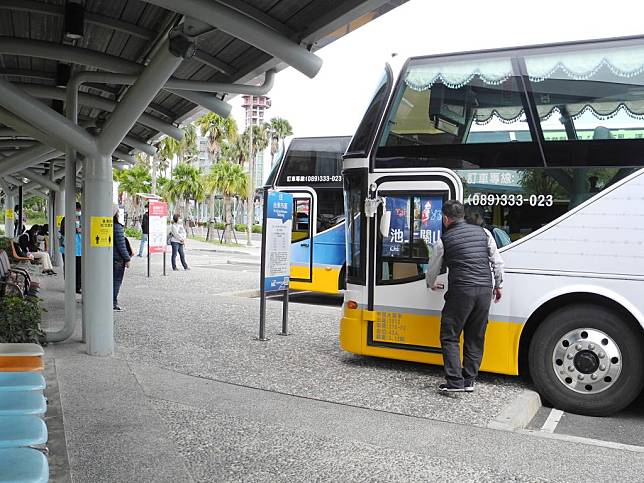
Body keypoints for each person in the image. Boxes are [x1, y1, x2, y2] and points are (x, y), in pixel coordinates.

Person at [426, 200, 504, 393]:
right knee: (475, 335)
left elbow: (433, 268)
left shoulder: (444, 240)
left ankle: (454, 382)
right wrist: (498, 285)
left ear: (445, 218)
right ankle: (469, 380)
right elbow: (497, 262)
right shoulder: (484, 233)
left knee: (450, 336)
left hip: (461, 291)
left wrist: (431, 283)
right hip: (485, 290)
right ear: (462, 215)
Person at [59, 202, 83, 294]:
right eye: (77, 210)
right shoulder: (66, 219)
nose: (78, 212)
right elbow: (63, 231)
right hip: (67, 248)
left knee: (79, 268)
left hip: (80, 248)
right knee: (69, 267)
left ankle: (78, 286)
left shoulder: (82, 219)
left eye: (79, 210)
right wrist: (76, 229)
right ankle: (69, 286)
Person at [112, 205, 131, 311]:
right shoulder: (117, 227)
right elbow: (121, 245)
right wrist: (127, 258)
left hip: (108, 258)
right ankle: (113, 303)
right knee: (116, 281)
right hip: (117, 259)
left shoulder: (105, 226)